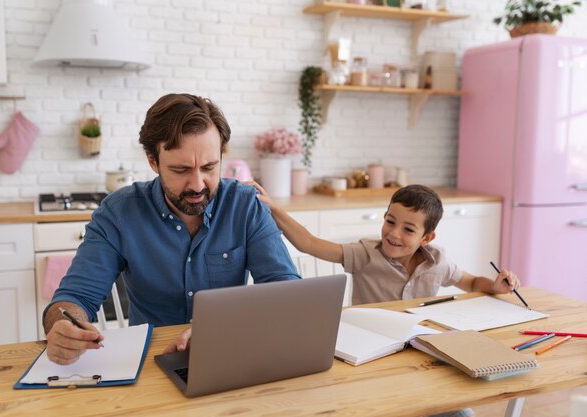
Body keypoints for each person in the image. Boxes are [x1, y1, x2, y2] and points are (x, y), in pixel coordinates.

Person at [43, 93, 300, 365]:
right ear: (153, 161)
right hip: (148, 363)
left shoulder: (245, 205)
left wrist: (222, 329)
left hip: (229, 354)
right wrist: (64, 327)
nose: (198, 185)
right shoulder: (118, 213)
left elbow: (285, 291)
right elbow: (73, 298)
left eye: (210, 167)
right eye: (181, 170)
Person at [248, 182, 519, 417]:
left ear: (427, 238)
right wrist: (273, 208)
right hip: (369, 361)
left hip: (420, 361)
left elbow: (471, 282)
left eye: (408, 229)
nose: (393, 234)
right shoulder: (367, 254)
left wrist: (495, 286)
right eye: (390, 221)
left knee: (460, 411)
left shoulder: (438, 262)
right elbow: (309, 243)